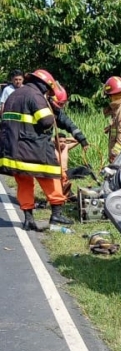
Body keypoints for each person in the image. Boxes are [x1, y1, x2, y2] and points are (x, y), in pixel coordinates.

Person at [0, 69, 73, 230]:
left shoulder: (14, 94)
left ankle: (28, 219)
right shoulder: (35, 95)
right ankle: (56, 215)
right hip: (33, 150)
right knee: (52, 177)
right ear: (43, 85)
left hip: (13, 150)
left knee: (24, 183)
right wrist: (53, 111)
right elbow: (46, 121)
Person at [49, 82, 89, 196]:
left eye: (62, 105)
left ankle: (64, 193)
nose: (59, 108)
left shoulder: (57, 112)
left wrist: (82, 140)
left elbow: (69, 124)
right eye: (58, 104)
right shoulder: (38, 106)